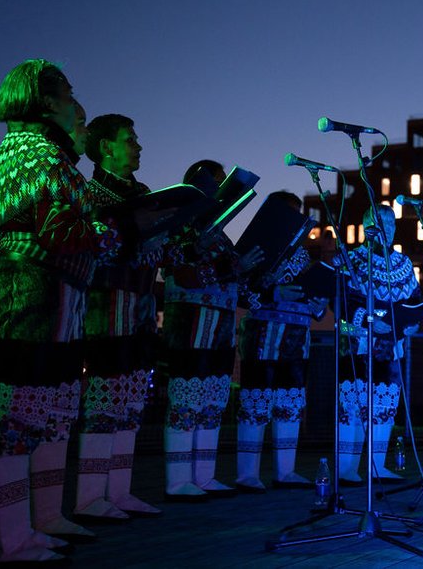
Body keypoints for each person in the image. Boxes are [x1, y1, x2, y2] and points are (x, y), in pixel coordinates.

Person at [0, 59, 122, 563]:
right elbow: (58, 229)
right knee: (18, 414)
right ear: (44, 101)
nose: (73, 106)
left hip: (56, 292)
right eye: (66, 95)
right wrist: (104, 233)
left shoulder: (49, 156)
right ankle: (13, 537)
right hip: (29, 288)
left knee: (53, 410)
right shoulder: (33, 149)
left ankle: (43, 519)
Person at [73, 114, 162, 520]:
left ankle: (120, 491)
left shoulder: (143, 192)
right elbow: (92, 248)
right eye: (131, 139)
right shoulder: (90, 193)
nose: (138, 146)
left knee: (129, 403)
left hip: (141, 310)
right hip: (104, 310)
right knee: (104, 402)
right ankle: (90, 497)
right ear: (106, 146)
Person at [161, 160, 263, 500]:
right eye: (217, 183)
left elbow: (231, 273)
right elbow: (178, 270)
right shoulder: (180, 223)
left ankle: (204, 476)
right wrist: (228, 266)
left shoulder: (219, 233)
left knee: (211, 400)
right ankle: (178, 480)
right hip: (190, 324)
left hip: (220, 325)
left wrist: (245, 269)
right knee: (186, 399)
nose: (221, 192)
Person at [235, 191, 328, 491]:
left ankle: (285, 471)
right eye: (290, 215)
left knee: (289, 404)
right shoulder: (259, 249)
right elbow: (241, 291)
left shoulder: (303, 255)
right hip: (263, 339)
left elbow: (310, 293)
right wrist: (275, 294)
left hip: (297, 339)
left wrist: (317, 301)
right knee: (255, 404)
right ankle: (247, 474)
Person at [336, 204, 421, 483]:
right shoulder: (351, 259)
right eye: (379, 222)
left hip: (391, 345)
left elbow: (415, 301)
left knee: (384, 405)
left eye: (391, 223)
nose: (386, 229)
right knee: (354, 403)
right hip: (357, 344)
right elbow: (341, 303)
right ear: (366, 226)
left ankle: (377, 464)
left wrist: (414, 321)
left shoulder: (404, 264)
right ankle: (345, 468)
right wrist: (367, 319)